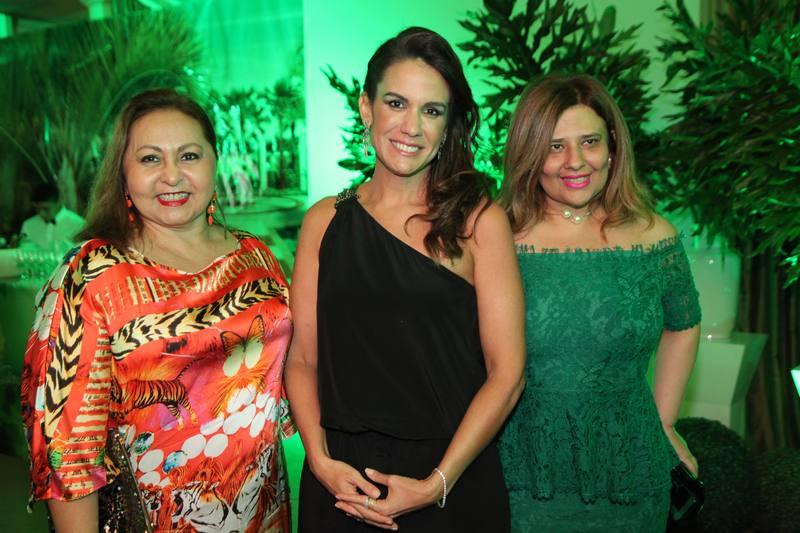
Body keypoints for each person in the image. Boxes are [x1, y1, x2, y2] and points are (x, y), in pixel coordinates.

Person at [285, 27, 526, 532]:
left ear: (448, 124)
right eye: (396, 103)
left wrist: (437, 483)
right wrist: (320, 461)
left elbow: (507, 374)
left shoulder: (478, 222)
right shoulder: (324, 221)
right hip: (340, 483)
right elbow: (303, 359)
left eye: (431, 110)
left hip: (450, 482)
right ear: (366, 107)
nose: (411, 127)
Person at [21, 88, 293, 532]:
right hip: (155, 519)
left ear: (215, 161)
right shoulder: (91, 276)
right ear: (123, 173)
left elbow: (294, 373)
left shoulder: (256, 256)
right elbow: (66, 446)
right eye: (150, 159)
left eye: (189, 156)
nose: (172, 176)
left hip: (262, 507)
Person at [497, 73, 701, 532]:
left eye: (589, 141)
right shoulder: (495, 237)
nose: (575, 161)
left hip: (631, 472)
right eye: (554, 146)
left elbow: (684, 323)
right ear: (529, 153)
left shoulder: (654, 236)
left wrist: (665, 422)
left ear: (612, 144)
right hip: (522, 477)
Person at [18, 181, 85, 252]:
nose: (41, 213)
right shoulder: (29, 225)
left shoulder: (78, 224)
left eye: (46, 209)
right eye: (37, 209)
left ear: (58, 202)